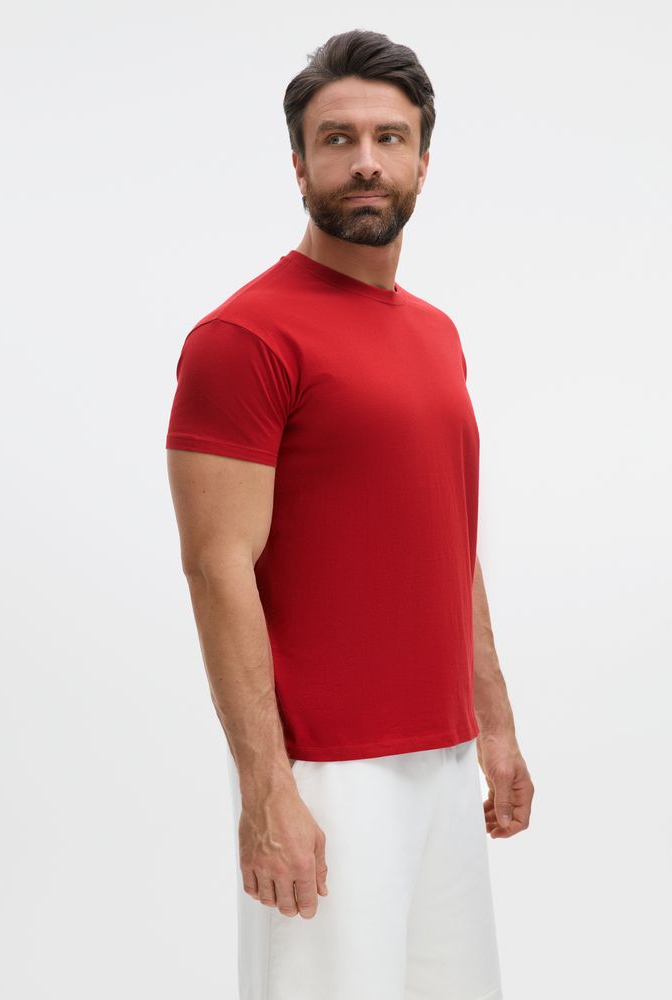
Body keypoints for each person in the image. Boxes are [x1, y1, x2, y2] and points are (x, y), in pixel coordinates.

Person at [165, 27, 534, 1000]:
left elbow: (448, 540)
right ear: (299, 164)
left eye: (388, 137)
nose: (365, 160)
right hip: (328, 772)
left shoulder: (437, 334)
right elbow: (216, 566)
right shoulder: (244, 337)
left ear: (421, 160)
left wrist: (493, 725)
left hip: (444, 759)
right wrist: (267, 790)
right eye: (337, 139)